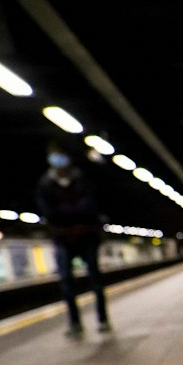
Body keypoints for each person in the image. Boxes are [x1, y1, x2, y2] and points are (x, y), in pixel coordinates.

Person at [36, 142, 110, 337]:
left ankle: (103, 319)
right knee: (66, 281)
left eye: (60, 155)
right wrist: (68, 220)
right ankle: (75, 322)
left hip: (86, 234)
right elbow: (47, 211)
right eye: (54, 156)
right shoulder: (45, 183)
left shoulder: (82, 179)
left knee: (95, 277)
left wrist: (69, 219)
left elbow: (91, 205)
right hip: (62, 237)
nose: (58, 161)